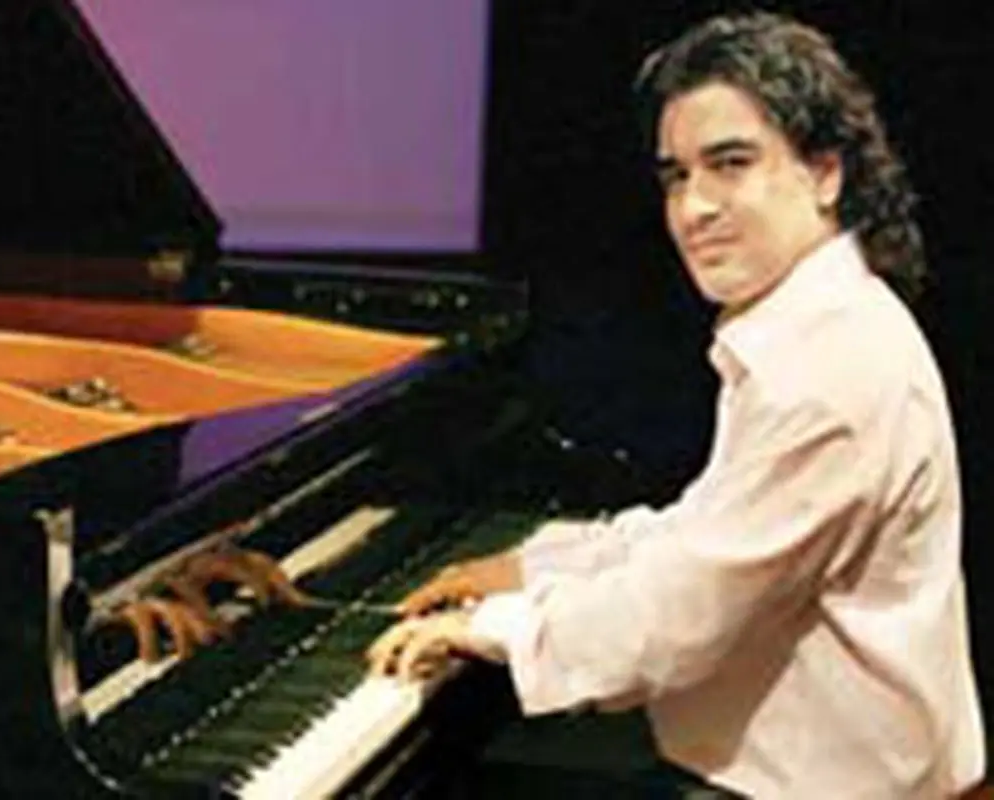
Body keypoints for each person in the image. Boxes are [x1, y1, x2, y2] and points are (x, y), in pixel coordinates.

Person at [368, 11, 986, 798]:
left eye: (731, 164)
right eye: (677, 176)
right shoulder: (813, 325)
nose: (694, 208)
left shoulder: (826, 373)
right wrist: (531, 567)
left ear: (825, 173)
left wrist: (492, 627)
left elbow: (681, 615)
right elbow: (704, 531)